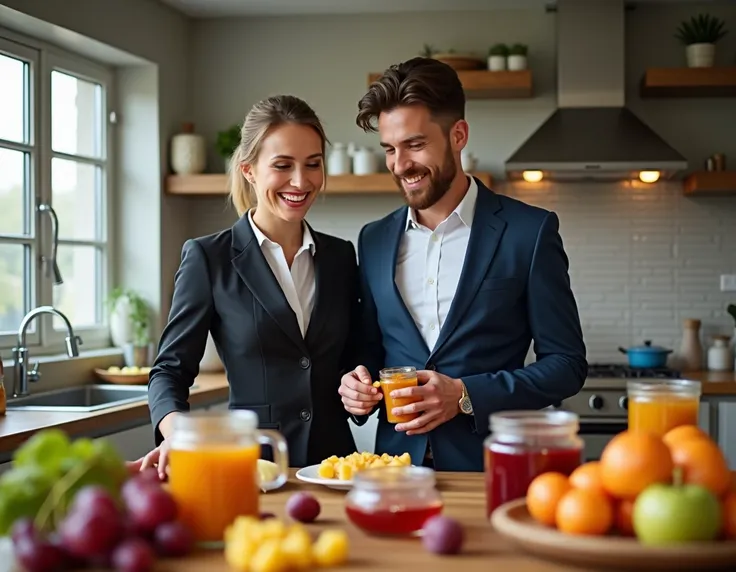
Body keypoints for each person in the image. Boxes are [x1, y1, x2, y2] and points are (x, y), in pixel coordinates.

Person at [338, 57, 587, 472]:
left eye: (415, 145)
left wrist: (465, 394)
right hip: (394, 470)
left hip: (490, 470)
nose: (400, 165)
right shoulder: (374, 239)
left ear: (458, 135)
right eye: (389, 149)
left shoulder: (530, 231)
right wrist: (354, 386)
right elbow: (367, 351)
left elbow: (566, 365)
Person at [132, 95, 360, 479]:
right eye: (282, 165)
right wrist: (176, 433)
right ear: (250, 170)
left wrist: (359, 389)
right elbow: (169, 370)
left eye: (313, 164)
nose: (301, 181)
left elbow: (351, 362)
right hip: (253, 469)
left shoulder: (340, 257)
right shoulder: (209, 258)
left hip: (334, 470)